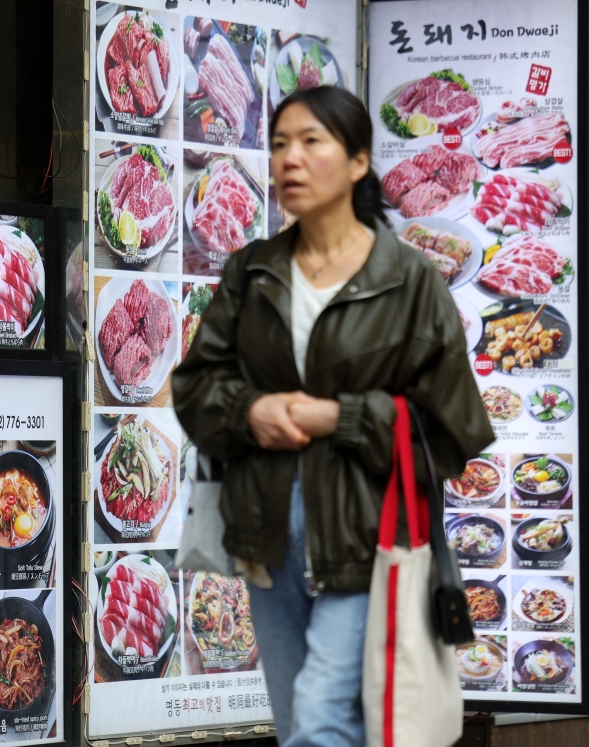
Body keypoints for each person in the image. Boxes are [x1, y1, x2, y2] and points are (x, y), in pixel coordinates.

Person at [172, 86, 493, 746]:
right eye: (280, 143)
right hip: (266, 542)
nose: (290, 158)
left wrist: (339, 417)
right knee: (304, 725)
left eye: (311, 141)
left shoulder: (410, 282)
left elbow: (452, 432)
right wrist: (250, 409)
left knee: (318, 724)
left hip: (368, 537)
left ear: (357, 163)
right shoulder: (251, 273)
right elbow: (195, 387)